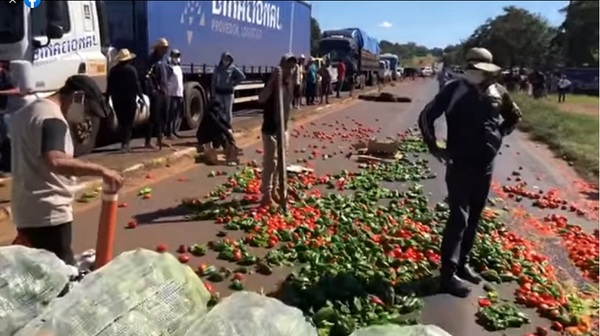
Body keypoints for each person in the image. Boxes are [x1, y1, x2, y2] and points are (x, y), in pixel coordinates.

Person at [418, 47, 522, 298]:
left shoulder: (498, 93)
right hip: (460, 163)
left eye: (481, 70)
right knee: (459, 218)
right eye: (473, 69)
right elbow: (426, 117)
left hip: (485, 166)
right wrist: (436, 147)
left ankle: (463, 264)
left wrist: (498, 136)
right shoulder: (454, 90)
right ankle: (448, 275)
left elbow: (514, 117)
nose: (476, 74)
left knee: (474, 216)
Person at [10, 75, 124, 265]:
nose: (86, 116)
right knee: (61, 275)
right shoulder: (53, 119)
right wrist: (102, 171)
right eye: (87, 110)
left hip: (26, 210)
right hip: (49, 213)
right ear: (77, 97)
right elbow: (55, 161)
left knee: (41, 272)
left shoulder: (27, 112)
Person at [257, 53, 297, 206]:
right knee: (270, 163)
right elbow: (261, 98)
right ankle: (266, 194)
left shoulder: (290, 82)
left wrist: (287, 127)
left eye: (292, 67)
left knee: (281, 162)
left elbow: (289, 104)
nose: (290, 70)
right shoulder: (274, 81)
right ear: (281, 67)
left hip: (283, 129)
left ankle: (274, 191)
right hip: (271, 130)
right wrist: (273, 80)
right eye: (287, 67)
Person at [106, 48, 145, 152]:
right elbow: (136, 85)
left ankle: (124, 143)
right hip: (129, 100)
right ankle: (126, 144)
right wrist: (141, 98)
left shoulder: (113, 71)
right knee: (129, 122)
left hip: (117, 100)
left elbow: (109, 87)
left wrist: (106, 99)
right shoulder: (131, 70)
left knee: (122, 122)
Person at [145, 38, 171, 149]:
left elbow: (169, 72)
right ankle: (148, 141)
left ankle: (161, 139)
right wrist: (153, 90)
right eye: (163, 48)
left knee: (163, 116)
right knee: (154, 117)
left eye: (166, 48)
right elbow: (147, 76)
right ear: (158, 48)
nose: (165, 50)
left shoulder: (165, 59)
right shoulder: (152, 59)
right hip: (157, 93)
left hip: (165, 91)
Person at [196, 99, 238, 164]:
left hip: (212, 134)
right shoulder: (209, 114)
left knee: (221, 132)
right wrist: (228, 133)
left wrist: (230, 128)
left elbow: (224, 121)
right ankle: (226, 150)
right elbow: (218, 124)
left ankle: (228, 149)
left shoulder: (217, 112)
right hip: (204, 136)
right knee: (220, 132)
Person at [211, 52, 245, 125]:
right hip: (219, 93)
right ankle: (220, 126)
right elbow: (213, 81)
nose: (226, 61)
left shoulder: (233, 68)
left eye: (228, 59)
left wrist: (234, 83)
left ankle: (228, 126)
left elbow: (242, 76)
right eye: (225, 59)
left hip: (228, 93)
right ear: (222, 59)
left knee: (228, 111)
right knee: (219, 111)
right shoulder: (218, 69)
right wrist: (213, 93)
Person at [167, 49, 184, 138]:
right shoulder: (170, 68)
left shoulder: (178, 68)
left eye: (178, 56)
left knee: (176, 114)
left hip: (179, 94)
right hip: (172, 94)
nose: (177, 58)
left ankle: (174, 131)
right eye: (175, 56)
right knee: (171, 114)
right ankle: (169, 132)